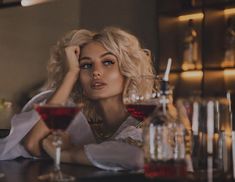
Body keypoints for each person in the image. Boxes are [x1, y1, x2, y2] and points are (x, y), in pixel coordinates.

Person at [0, 27, 155, 170]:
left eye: (108, 62)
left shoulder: (145, 120)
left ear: (127, 70)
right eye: (86, 65)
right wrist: (71, 74)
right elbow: (32, 144)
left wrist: (70, 153)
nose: (96, 72)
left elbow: (138, 157)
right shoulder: (84, 121)